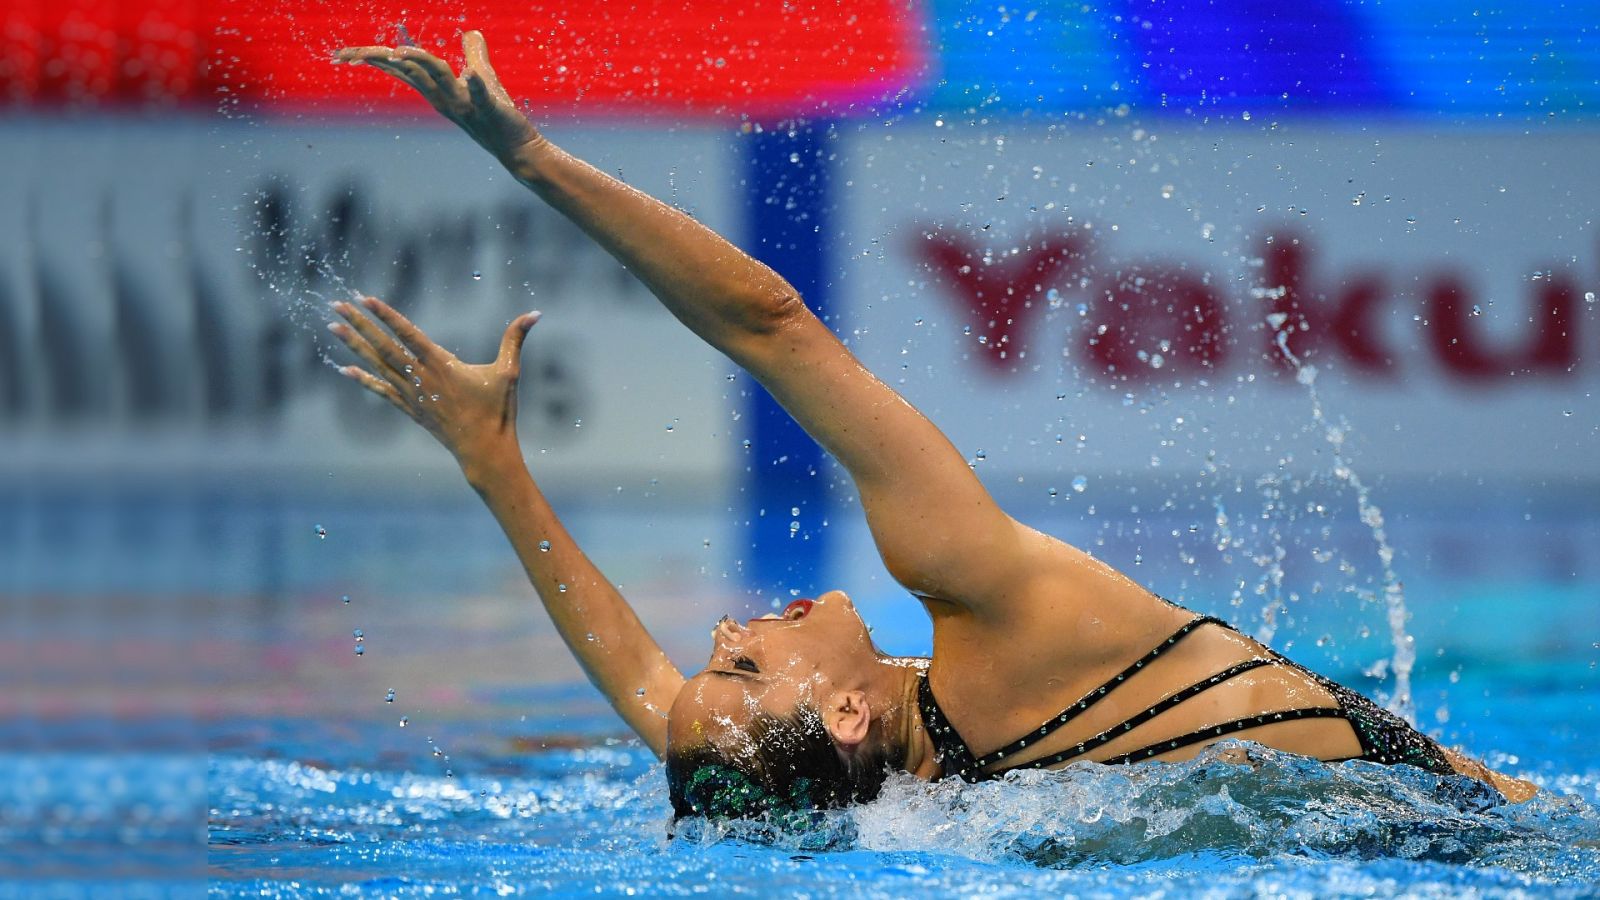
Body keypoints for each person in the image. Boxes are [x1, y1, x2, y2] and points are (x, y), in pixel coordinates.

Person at [329, 32, 1537, 817]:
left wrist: (493, 461)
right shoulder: (977, 599)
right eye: (744, 656)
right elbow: (770, 326)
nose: (728, 623)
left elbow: (652, 688)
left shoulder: (859, 788)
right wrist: (531, 154)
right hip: (1485, 839)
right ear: (845, 714)